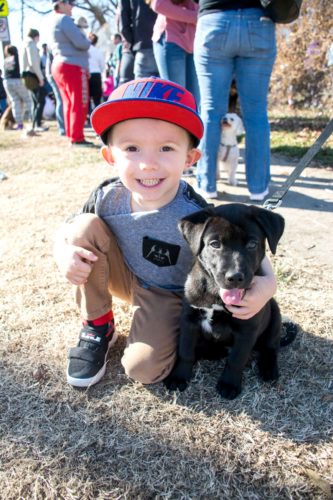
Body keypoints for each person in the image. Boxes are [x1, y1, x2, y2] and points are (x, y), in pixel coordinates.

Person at [53, 76, 278, 388]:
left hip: (168, 294)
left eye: (166, 148)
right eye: (131, 148)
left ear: (190, 158)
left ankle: (150, 327)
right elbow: (67, 228)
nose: (148, 164)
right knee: (83, 227)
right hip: (123, 276)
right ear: (110, 156)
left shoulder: (197, 212)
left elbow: (237, 248)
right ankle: (97, 326)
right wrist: (62, 251)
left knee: (143, 368)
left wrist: (268, 285)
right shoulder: (106, 196)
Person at [193, 1, 277, 200]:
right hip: (259, 20)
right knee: (256, 112)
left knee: (211, 111)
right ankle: (258, 188)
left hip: (214, 20)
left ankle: (207, 185)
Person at [49, 0, 93, 147]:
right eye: (69, 2)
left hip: (59, 64)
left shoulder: (52, 20)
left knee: (68, 102)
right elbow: (82, 43)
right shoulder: (64, 19)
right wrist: (88, 39)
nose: (72, 5)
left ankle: (72, 135)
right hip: (72, 65)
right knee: (80, 102)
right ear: (60, 4)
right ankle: (77, 138)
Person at [150, 0, 199, 104]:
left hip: (194, 44)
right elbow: (159, 5)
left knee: (194, 101)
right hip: (171, 40)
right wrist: (197, 16)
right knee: (175, 99)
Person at [119, 0, 159, 79]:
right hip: (169, 42)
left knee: (143, 89)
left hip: (143, 44)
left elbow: (124, 25)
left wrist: (134, 43)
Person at [21, 28, 48, 133]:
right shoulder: (31, 44)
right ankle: (37, 123)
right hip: (32, 75)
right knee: (40, 100)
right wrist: (40, 78)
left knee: (35, 101)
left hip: (27, 75)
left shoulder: (24, 44)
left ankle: (35, 122)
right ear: (35, 36)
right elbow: (34, 63)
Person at [2, 46, 32, 130]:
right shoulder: (17, 57)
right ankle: (30, 118)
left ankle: (19, 124)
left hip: (7, 81)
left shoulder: (6, 59)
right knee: (28, 99)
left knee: (15, 101)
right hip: (16, 80)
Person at [87, 32, 105, 111]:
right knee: (97, 99)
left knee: (87, 98)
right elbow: (102, 66)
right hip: (96, 74)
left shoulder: (84, 51)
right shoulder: (98, 51)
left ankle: (88, 115)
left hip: (86, 74)